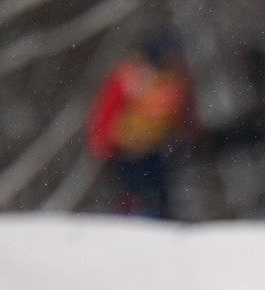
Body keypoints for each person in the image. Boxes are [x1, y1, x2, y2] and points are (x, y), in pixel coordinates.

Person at [85, 31, 199, 218]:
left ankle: (157, 224)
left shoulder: (175, 79)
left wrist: (186, 136)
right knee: (135, 192)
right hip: (127, 148)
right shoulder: (131, 75)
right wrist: (101, 141)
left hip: (158, 147)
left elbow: (183, 112)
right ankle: (131, 224)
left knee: (159, 193)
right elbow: (106, 108)